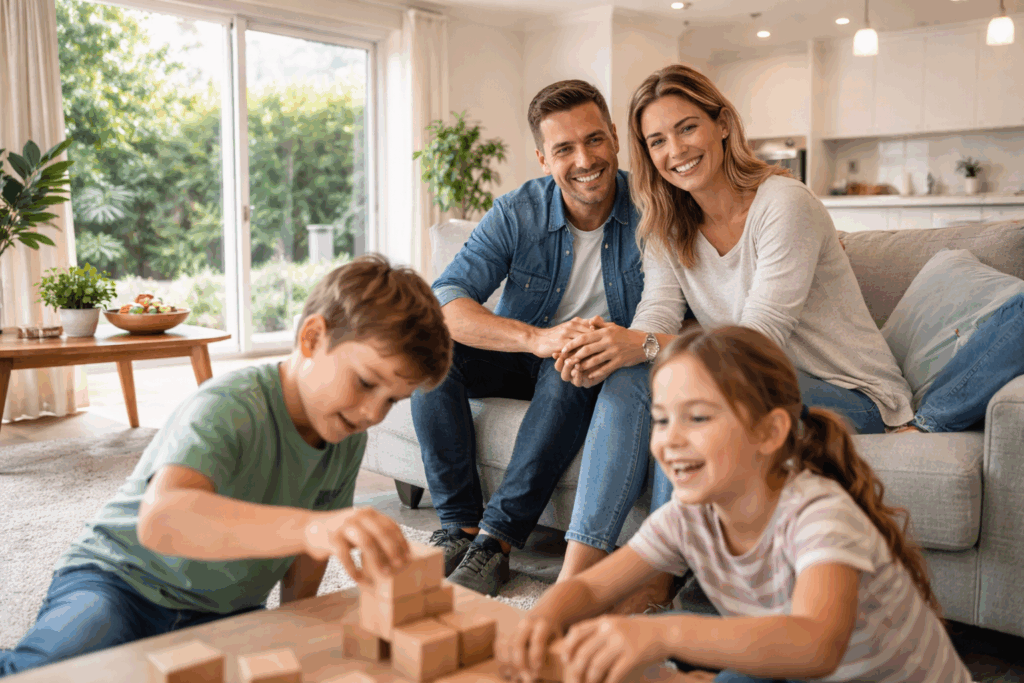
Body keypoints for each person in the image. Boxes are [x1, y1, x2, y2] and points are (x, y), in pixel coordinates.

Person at [0, 255, 452, 677]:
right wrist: (315, 528)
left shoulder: (347, 438)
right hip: (121, 582)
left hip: (226, 610)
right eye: (366, 382)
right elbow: (162, 520)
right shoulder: (230, 405)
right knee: (56, 669)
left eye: (393, 400)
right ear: (312, 338)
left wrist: (296, 624)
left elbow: (305, 561)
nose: (374, 413)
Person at [552, 64, 915, 591]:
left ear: (722, 124)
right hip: (748, 382)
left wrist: (646, 345)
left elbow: (758, 341)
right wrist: (614, 349)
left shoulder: (784, 204)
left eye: (687, 127)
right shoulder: (666, 223)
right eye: (656, 140)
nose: (675, 150)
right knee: (632, 378)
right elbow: (656, 313)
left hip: (849, 391)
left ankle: (658, 583)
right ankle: (574, 581)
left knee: (695, 394)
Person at [505, 326, 972, 683]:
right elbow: (589, 590)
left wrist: (662, 633)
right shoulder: (689, 518)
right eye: (662, 420)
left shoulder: (818, 512)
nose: (671, 441)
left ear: (769, 432)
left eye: (699, 417)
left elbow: (816, 643)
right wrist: (544, 616)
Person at [411, 79, 647, 598]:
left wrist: (572, 345)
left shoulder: (653, 210)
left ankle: (495, 543)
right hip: (525, 349)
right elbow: (445, 298)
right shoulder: (517, 211)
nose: (584, 159)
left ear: (613, 136)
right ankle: (458, 527)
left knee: (573, 364)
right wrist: (536, 338)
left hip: (586, 363)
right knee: (426, 354)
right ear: (544, 158)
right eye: (564, 148)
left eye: (594, 140)